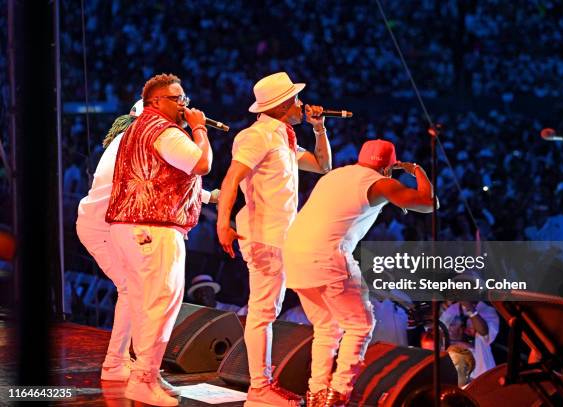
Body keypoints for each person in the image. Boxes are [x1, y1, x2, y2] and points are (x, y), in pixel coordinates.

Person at [76, 100, 218, 389]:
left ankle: (120, 364)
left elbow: (161, 178)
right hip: (104, 226)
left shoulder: (128, 140)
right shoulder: (135, 142)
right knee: (136, 290)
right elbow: (163, 178)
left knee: (134, 290)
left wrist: (205, 197)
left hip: (106, 224)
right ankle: (128, 367)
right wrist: (206, 196)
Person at [282, 139, 435, 406]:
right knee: (360, 324)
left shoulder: (336, 175)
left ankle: (317, 392)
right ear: (389, 168)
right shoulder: (380, 182)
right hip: (326, 256)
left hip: (294, 255)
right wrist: (418, 171)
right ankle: (338, 394)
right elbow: (428, 203)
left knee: (327, 328)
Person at [217, 71, 331, 406]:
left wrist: (319, 128)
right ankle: (259, 387)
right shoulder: (256, 137)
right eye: (295, 99)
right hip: (264, 236)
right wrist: (222, 222)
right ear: (282, 105)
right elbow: (230, 179)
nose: (301, 104)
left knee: (269, 308)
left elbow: (322, 165)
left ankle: (263, 385)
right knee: (263, 310)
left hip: (282, 238)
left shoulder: (283, 138)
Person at [105, 73, 212, 407]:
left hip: (130, 228)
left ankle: (144, 373)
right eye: (176, 99)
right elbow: (201, 163)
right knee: (160, 304)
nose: (184, 104)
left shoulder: (136, 129)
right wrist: (200, 128)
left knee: (143, 303)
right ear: (155, 103)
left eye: (184, 98)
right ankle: (142, 380)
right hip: (153, 228)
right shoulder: (163, 130)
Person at [440, 301, 499, 379]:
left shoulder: (487, 310)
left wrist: (469, 307)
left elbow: (484, 333)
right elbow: (440, 332)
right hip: (459, 379)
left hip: (483, 376)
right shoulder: (452, 309)